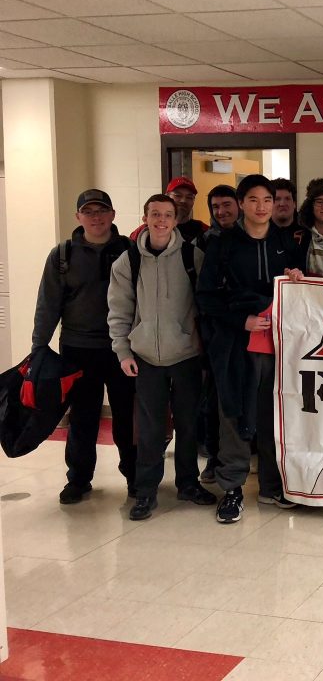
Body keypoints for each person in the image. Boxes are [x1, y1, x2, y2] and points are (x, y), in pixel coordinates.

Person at [196, 175, 304, 523]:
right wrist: (241, 319)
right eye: (254, 200)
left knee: (273, 414)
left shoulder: (286, 243)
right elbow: (206, 297)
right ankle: (232, 488)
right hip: (236, 344)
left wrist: (298, 281)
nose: (262, 207)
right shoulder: (223, 244)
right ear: (241, 203)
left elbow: (296, 293)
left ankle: (272, 486)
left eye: (268, 200)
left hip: (277, 346)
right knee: (235, 414)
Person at [107, 194, 216, 520]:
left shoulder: (191, 256)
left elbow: (204, 307)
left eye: (167, 214)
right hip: (145, 359)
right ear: (146, 217)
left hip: (185, 356)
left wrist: (203, 351)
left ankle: (187, 483)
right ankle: (145, 491)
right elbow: (119, 309)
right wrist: (122, 350)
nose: (161, 220)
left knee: (187, 426)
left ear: (175, 218)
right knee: (152, 430)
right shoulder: (128, 260)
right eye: (155, 214)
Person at [32, 189, 137, 505]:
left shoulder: (130, 251)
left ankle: (134, 477)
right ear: (78, 217)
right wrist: (39, 345)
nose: (96, 217)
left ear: (113, 215)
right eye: (89, 212)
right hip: (78, 348)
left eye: (102, 211)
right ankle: (78, 480)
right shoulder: (62, 255)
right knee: (82, 417)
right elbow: (48, 304)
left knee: (127, 417)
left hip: (123, 350)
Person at [195, 184, 239, 483]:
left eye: (227, 205)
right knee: (216, 398)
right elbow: (202, 292)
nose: (221, 211)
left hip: (252, 332)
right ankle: (215, 456)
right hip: (216, 332)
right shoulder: (204, 243)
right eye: (216, 207)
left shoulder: (258, 237)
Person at [131, 177, 209, 244]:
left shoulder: (204, 231)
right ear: (166, 197)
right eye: (177, 195)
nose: (183, 200)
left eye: (189, 197)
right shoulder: (143, 231)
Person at [272, 178, 304, 242]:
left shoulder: (307, 233)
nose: (282, 204)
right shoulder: (259, 233)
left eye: (287, 199)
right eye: (277, 199)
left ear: (294, 204)